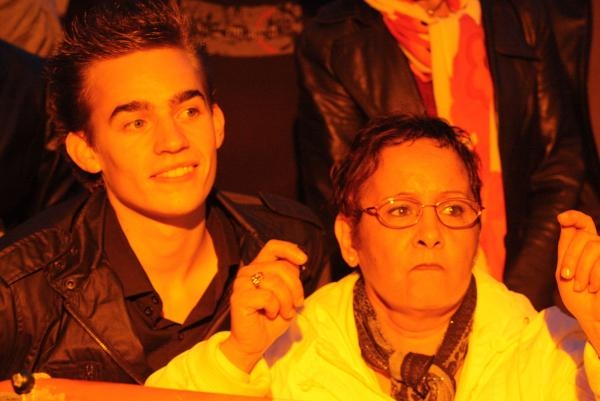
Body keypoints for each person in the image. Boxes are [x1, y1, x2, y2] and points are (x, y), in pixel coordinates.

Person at [147, 115, 600, 400]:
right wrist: (238, 354)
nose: (431, 234)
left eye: (453, 210)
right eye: (400, 211)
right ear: (349, 238)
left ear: (478, 230)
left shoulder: (549, 347)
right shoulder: (292, 347)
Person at [0, 0, 327, 384]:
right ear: (86, 151)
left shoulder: (293, 245)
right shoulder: (18, 292)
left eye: (189, 112)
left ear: (217, 123)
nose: (173, 141)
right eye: (136, 123)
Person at [293, 0, 600, 311]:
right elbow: (342, 198)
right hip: (403, 304)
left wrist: (517, 297)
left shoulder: (520, 14)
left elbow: (559, 166)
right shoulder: (336, 41)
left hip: (527, 285)